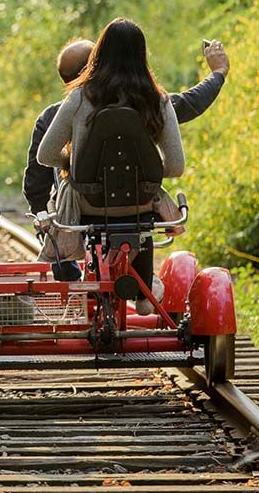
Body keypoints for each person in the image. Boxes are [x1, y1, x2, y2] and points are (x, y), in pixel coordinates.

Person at [25, 36, 229, 281]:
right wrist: (218, 73)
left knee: (64, 194)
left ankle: (66, 265)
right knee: (140, 214)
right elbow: (191, 102)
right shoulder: (145, 102)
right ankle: (144, 281)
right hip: (135, 201)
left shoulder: (53, 115)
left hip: (80, 208)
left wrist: (44, 215)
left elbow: (38, 174)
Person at [36, 18, 184, 314]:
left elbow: (46, 154)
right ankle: (144, 293)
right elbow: (176, 166)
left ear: (98, 54)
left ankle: (94, 286)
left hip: (88, 204)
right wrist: (145, 173)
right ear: (142, 55)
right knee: (142, 215)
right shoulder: (158, 100)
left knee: (94, 201)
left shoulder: (80, 96)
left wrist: (74, 165)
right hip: (140, 203)